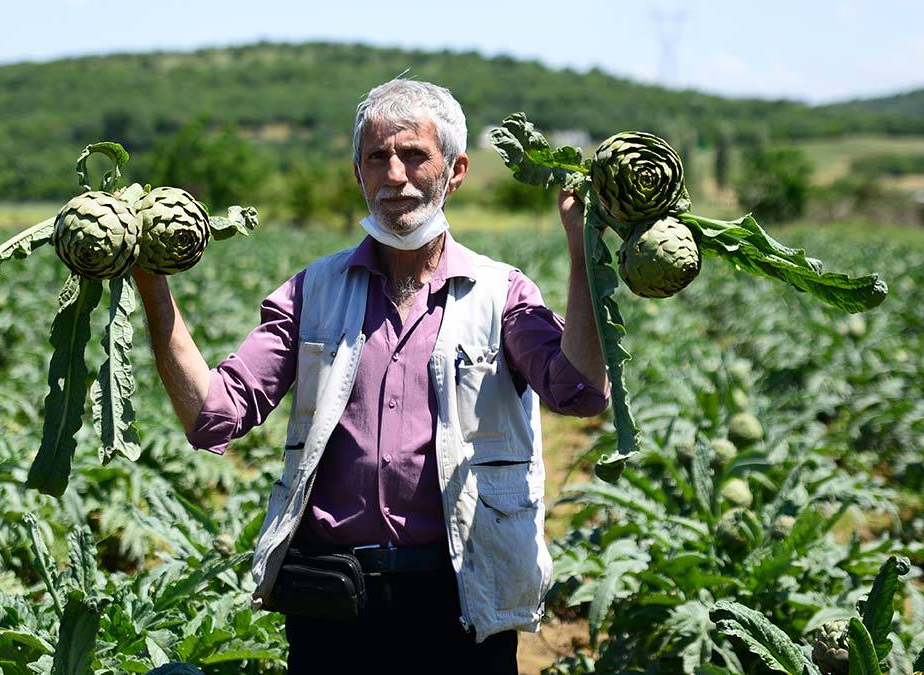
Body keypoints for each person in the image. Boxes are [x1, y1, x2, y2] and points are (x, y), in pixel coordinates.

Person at [132, 78, 610, 674]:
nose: (394, 176)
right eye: (377, 157)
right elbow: (213, 415)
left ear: (456, 171)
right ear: (358, 172)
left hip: (463, 592)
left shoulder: (500, 292)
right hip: (333, 602)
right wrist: (152, 285)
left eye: (414, 155)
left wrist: (583, 254)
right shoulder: (312, 292)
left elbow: (579, 391)